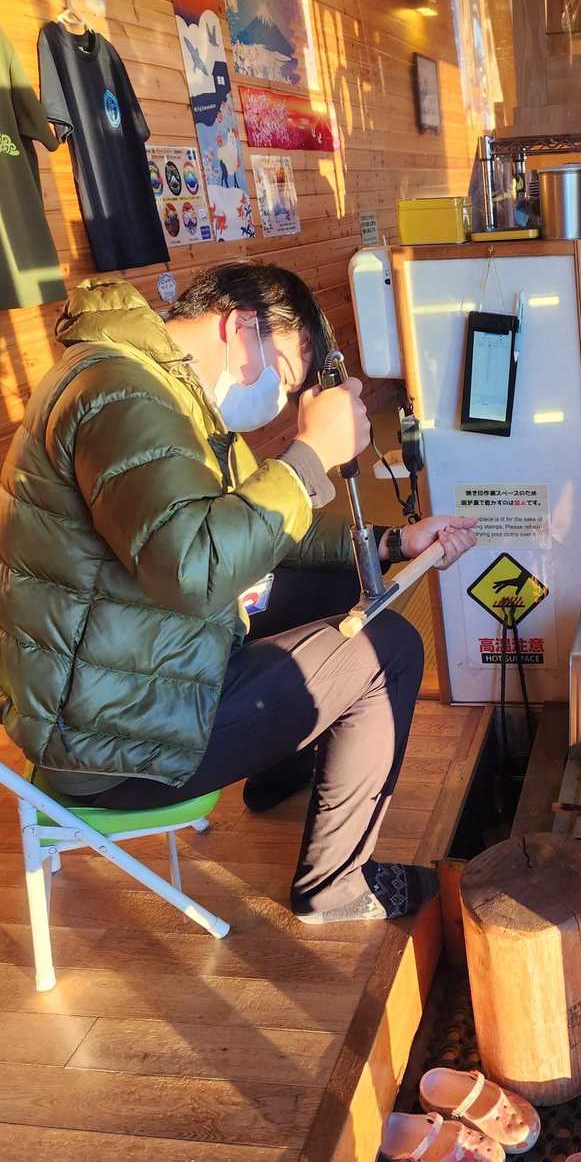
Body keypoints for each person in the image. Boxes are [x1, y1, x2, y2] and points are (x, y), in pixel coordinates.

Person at [0, 262, 477, 923]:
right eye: (283, 374)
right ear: (240, 326)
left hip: (131, 672)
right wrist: (309, 454)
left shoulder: (163, 389)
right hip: (113, 741)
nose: (280, 398)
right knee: (387, 648)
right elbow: (196, 570)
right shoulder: (119, 393)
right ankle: (335, 886)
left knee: (341, 586)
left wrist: (395, 541)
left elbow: (264, 532)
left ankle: (278, 771)